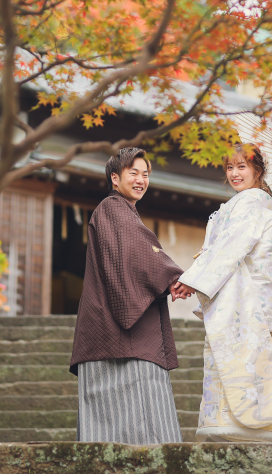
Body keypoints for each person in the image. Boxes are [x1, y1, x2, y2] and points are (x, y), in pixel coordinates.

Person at [178, 143, 272, 443]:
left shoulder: (247, 209)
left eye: (242, 166)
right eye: (230, 168)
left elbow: (227, 251)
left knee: (234, 365)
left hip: (241, 306)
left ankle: (234, 427)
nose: (234, 173)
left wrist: (192, 279)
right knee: (260, 366)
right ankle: (263, 428)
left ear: (258, 171)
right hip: (263, 308)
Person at [69, 147, 191, 444]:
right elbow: (138, 253)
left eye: (145, 174)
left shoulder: (122, 212)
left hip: (105, 332)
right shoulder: (113, 208)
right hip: (118, 333)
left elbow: (139, 251)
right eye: (133, 173)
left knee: (114, 421)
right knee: (139, 416)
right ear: (115, 178)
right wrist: (175, 277)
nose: (140, 180)